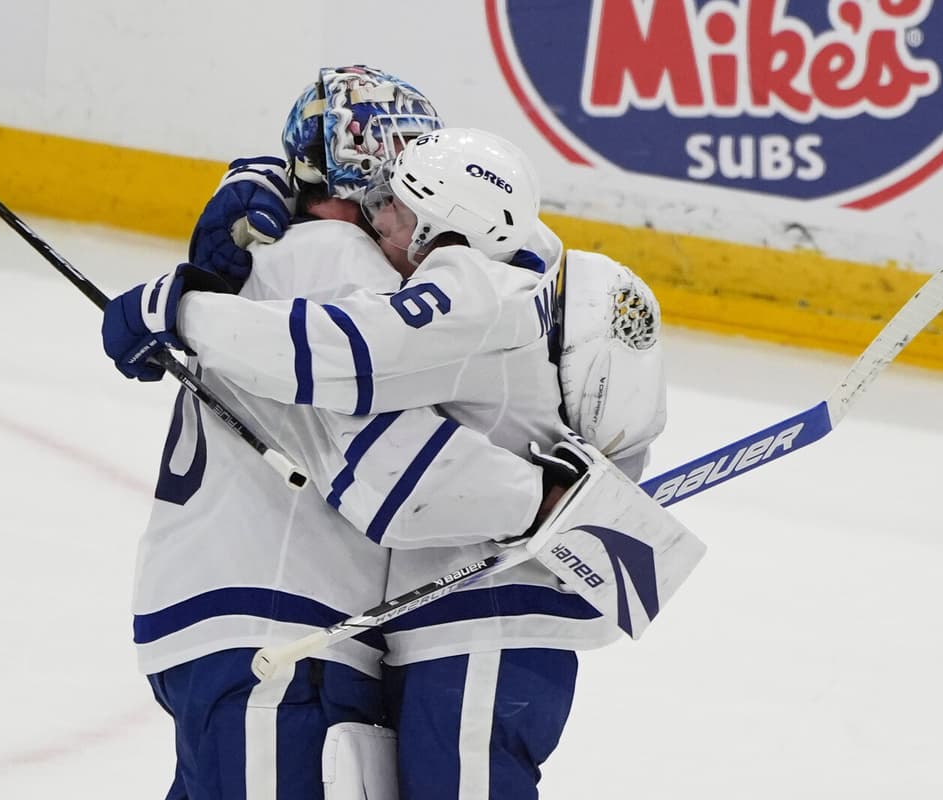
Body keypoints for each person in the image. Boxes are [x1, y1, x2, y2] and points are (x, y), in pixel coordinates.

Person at [105, 101, 675, 797]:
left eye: (398, 202)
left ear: (443, 227)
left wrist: (175, 309)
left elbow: (349, 383)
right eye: (375, 193)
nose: (380, 215)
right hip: (330, 627)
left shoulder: (459, 290)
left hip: (438, 622)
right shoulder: (409, 265)